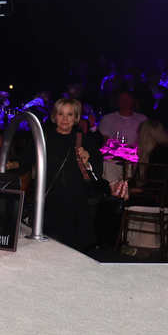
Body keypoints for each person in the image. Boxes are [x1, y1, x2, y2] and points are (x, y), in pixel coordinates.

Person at [42, 98, 101, 249]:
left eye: (69, 114)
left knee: (75, 253)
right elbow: (24, 160)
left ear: (76, 118)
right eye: (61, 114)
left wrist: (87, 163)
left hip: (75, 206)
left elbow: (96, 177)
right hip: (50, 204)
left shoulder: (85, 141)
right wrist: (7, 164)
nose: (65, 118)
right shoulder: (44, 138)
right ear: (54, 116)